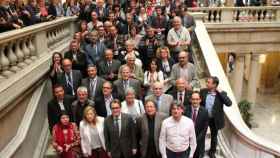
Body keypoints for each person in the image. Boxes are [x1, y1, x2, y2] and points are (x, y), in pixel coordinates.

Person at [200, 76, 232, 158]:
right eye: (207, 82)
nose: (206, 83)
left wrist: (220, 92)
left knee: (214, 137)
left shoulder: (221, 94)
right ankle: (200, 151)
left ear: (214, 85)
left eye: (208, 82)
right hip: (204, 118)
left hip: (214, 119)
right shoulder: (203, 91)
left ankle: (212, 152)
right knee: (201, 135)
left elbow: (229, 103)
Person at [185, 92, 209, 158]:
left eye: (197, 99)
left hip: (199, 142)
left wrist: (195, 140)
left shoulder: (205, 111)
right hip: (186, 141)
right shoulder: (185, 110)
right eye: (193, 99)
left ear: (200, 100)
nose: (195, 101)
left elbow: (204, 129)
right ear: (190, 100)